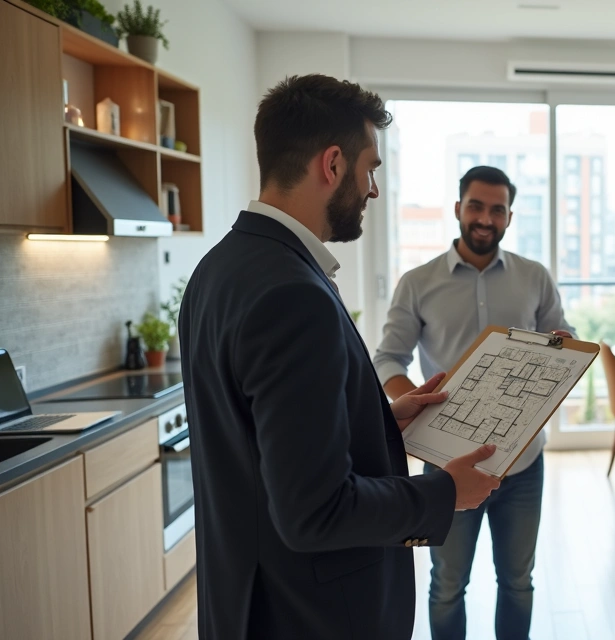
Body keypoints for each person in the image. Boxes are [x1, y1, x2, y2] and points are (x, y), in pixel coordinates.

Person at [178, 74, 501, 640]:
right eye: (370, 168)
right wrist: (445, 492)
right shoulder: (294, 295)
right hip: (311, 614)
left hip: (247, 601)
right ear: (332, 164)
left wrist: (379, 422)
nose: (373, 189)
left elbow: (263, 447)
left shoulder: (217, 269)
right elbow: (315, 511)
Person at [374, 165, 576, 640]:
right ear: (458, 209)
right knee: (447, 585)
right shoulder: (418, 282)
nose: (486, 218)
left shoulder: (534, 277)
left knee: (518, 582)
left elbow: (564, 341)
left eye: (497, 210)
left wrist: (562, 349)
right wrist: (418, 404)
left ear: (509, 217)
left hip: (522, 465)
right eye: (476, 207)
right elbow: (387, 359)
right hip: (446, 464)